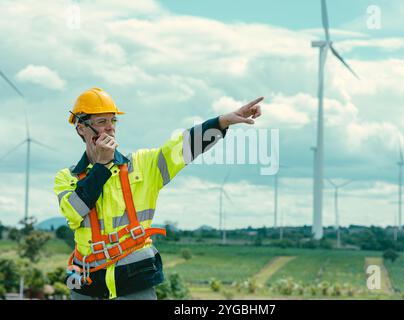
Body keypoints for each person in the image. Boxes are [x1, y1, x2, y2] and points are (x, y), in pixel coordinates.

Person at [54, 87, 263, 300]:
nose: (110, 128)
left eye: (113, 121)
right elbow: (74, 212)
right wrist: (102, 166)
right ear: (81, 129)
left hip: (135, 279)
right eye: (101, 122)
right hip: (87, 284)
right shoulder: (66, 177)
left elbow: (183, 147)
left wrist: (221, 122)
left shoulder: (143, 164)